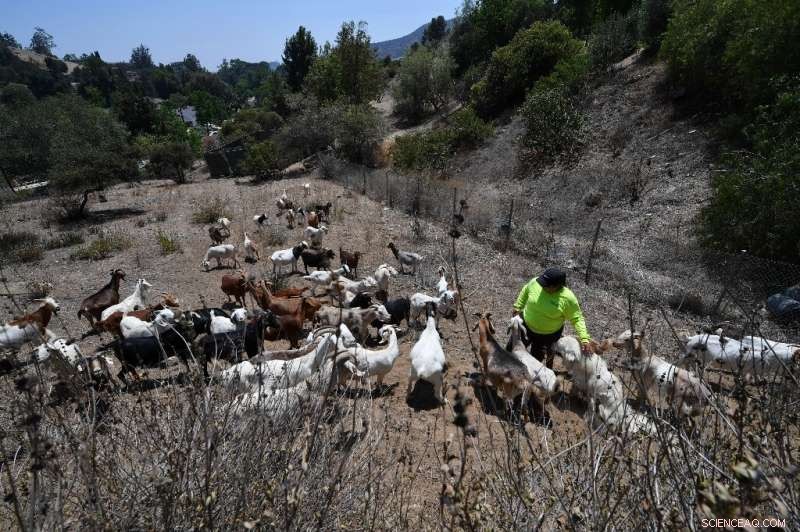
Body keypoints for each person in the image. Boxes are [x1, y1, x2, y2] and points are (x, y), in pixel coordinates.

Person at [509, 267, 592, 368]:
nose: (542, 286)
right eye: (542, 283)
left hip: (546, 336)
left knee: (534, 361)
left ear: (557, 286)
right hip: (525, 326)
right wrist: (518, 306)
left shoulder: (568, 298)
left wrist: (584, 339)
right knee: (511, 352)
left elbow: (577, 318)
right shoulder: (535, 283)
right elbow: (526, 290)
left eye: (546, 285)